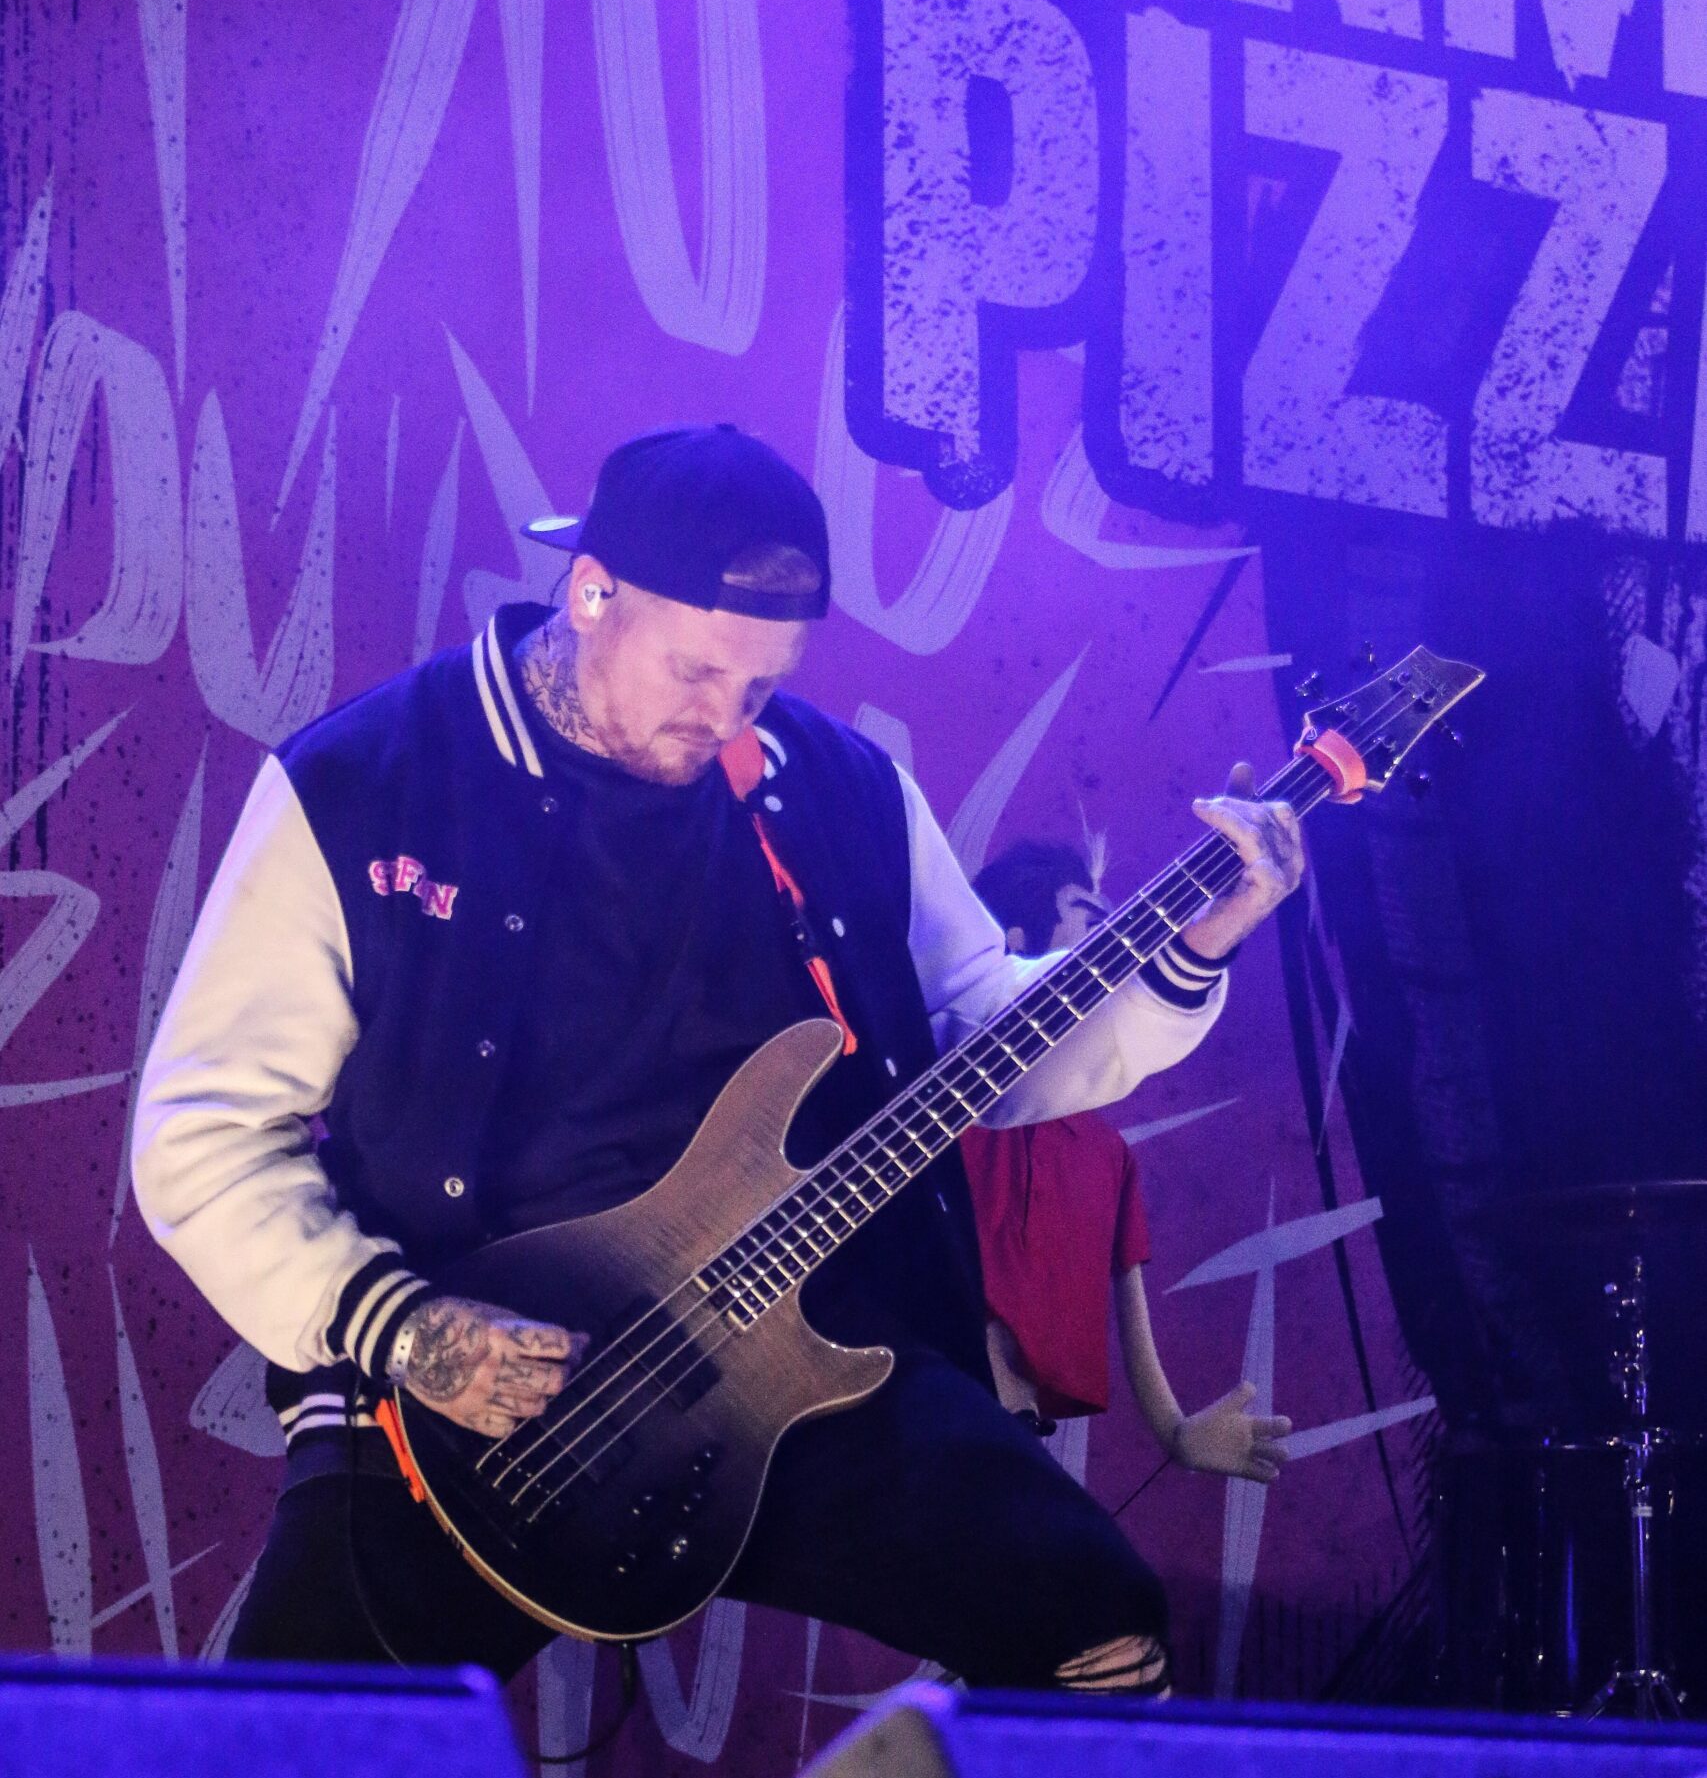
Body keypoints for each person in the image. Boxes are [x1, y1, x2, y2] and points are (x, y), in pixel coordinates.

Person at [133, 425, 1303, 1694]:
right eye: (696, 670)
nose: (726, 715)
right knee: (292, 1759)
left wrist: (1190, 946)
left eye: (762, 682)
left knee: (1098, 1626)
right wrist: (405, 1328)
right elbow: (203, 1135)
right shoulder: (365, 782)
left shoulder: (841, 790)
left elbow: (984, 1032)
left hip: (791, 1351)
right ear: (591, 593)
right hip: (459, 1381)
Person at [962, 838, 1292, 1482]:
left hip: (1017, 1443)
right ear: (1015, 945)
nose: (1121, 950)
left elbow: (1130, 1308)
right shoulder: (946, 1100)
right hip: (908, 1408)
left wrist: (1177, 1431)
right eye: (1094, 925)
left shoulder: (1107, 1157)